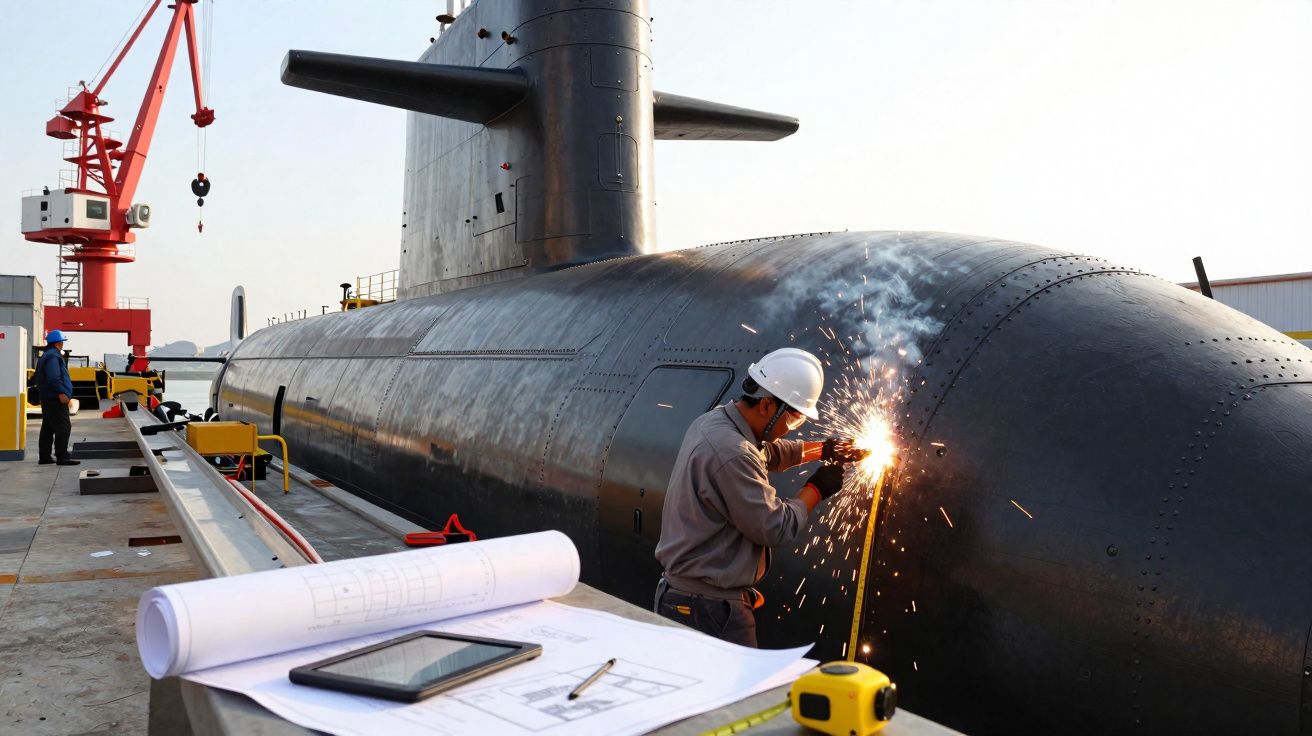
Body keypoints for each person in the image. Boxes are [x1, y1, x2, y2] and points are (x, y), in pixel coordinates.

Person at [654, 347, 868, 647]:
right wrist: (818, 487)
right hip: (708, 610)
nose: (790, 429)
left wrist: (824, 449)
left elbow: (769, 453)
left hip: (697, 600)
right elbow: (775, 526)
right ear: (767, 406)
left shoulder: (718, 423)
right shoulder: (732, 452)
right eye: (793, 420)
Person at [35, 330, 79, 466]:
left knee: (48, 427)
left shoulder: (45, 356)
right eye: (62, 341)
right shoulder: (54, 356)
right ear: (59, 343)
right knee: (63, 427)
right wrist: (62, 392)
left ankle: (45, 456)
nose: (63, 344)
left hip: (47, 397)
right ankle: (62, 457)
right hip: (55, 398)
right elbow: (54, 377)